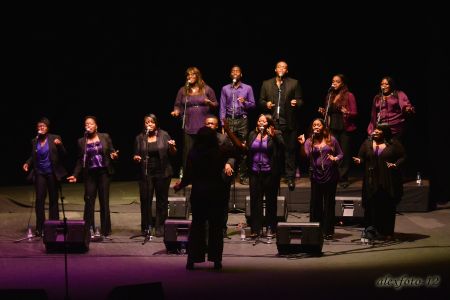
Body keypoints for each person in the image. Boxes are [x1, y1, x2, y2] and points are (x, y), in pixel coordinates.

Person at [173, 126, 233, 270]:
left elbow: (188, 176)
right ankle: (216, 260)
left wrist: (180, 186)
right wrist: (229, 132)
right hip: (216, 193)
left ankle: (192, 260)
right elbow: (239, 150)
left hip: (199, 194)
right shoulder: (220, 152)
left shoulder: (194, 153)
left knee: (197, 227)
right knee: (216, 228)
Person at [224, 114, 284, 238]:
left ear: (268, 123)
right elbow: (244, 149)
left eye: (264, 120)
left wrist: (274, 136)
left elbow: (283, 147)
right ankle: (255, 229)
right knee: (255, 201)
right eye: (259, 120)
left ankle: (270, 228)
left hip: (270, 173)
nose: (261, 122)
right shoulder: (252, 134)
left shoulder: (276, 133)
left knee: (271, 202)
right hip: (255, 172)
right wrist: (229, 132)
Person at [67, 116, 119, 238]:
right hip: (89, 174)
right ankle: (88, 228)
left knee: (104, 201)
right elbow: (80, 161)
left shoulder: (105, 137)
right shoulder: (81, 141)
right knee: (89, 200)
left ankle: (105, 229)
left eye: (91, 124)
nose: (88, 126)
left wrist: (114, 156)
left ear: (96, 126)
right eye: (86, 124)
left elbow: (111, 151)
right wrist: (75, 175)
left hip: (104, 173)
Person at [353, 124, 406, 241]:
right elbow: (361, 157)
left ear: (385, 132)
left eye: (379, 130)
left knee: (387, 205)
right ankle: (370, 230)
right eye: (375, 129)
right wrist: (359, 160)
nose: (375, 131)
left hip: (387, 180)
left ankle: (387, 232)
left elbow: (403, 157)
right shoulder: (367, 143)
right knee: (371, 205)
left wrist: (395, 164)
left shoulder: (393, 144)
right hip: (371, 180)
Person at [259, 60, 303, 191]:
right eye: (279, 66)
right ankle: (273, 175)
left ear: (287, 70)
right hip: (273, 123)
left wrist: (297, 102)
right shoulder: (266, 84)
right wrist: (265, 104)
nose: (281, 69)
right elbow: (260, 101)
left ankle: (290, 177)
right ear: (275, 69)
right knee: (272, 151)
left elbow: (301, 100)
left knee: (290, 151)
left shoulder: (294, 83)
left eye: (284, 67)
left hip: (288, 123)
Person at [297, 118, 343, 240]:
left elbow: (341, 154)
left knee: (329, 203)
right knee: (315, 203)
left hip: (330, 175)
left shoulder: (331, 139)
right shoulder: (309, 141)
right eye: (314, 125)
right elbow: (305, 156)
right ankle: (315, 230)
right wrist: (302, 144)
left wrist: (335, 159)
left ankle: (328, 231)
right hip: (316, 175)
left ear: (323, 127)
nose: (316, 127)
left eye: (318, 125)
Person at [133, 114, 177, 237]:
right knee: (145, 199)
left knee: (161, 200)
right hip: (146, 173)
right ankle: (146, 227)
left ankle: (160, 227)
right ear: (144, 124)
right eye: (147, 122)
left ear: (156, 123)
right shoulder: (140, 138)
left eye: (152, 122)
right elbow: (136, 154)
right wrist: (136, 158)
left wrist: (173, 146)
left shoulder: (164, 135)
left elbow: (173, 153)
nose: (149, 124)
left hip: (162, 172)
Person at [22, 117, 67, 236]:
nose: (41, 128)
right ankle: (40, 227)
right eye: (39, 126)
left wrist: (60, 145)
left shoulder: (55, 138)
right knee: (39, 200)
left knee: (53, 199)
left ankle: (54, 225)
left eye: (43, 126)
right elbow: (33, 156)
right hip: (40, 173)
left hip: (52, 172)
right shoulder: (34, 141)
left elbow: (64, 154)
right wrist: (27, 163)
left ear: (47, 128)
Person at [171, 67, 218, 174]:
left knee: (204, 150)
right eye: (188, 75)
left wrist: (210, 103)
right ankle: (188, 173)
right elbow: (177, 105)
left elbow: (216, 104)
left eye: (192, 74)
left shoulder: (207, 89)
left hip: (204, 125)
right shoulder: (183, 90)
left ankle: (205, 173)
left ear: (197, 76)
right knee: (188, 151)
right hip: (189, 125)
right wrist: (176, 111)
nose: (189, 77)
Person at [318, 74, 358, 188]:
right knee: (332, 152)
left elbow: (355, 113)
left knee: (343, 154)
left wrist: (347, 112)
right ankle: (333, 175)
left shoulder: (349, 95)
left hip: (345, 128)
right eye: (333, 81)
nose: (334, 83)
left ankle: (343, 178)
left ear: (343, 83)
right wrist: (323, 111)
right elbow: (328, 112)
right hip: (332, 128)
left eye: (337, 81)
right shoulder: (330, 95)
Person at [219, 65, 255, 185]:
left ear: (241, 74)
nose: (235, 73)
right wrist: (222, 123)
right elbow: (222, 107)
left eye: (237, 71)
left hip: (242, 120)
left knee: (243, 147)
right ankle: (229, 173)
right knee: (228, 147)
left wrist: (245, 102)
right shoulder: (225, 89)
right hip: (229, 120)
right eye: (233, 71)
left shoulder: (247, 88)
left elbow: (253, 105)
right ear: (231, 74)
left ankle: (243, 175)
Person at [204, 115, 236, 239]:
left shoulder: (223, 139)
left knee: (222, 204)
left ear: (216, 126)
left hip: (221, 177)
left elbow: (232, 155)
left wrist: (229, 163)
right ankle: (207, 230)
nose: (210, 126)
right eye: (207, 124)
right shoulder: (200, 140)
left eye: (212, 124)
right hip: (206, 178)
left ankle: (222, 228)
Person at [367, 76, 415, 142]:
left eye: (386, 84)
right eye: (382, 84)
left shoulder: (399, 94)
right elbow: (373, 115)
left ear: (391, 85)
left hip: (396, 128)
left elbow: (406, 105)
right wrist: (372, 128)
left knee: (394, 149)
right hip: (382, 128)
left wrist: (408, 109)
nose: (384, 86)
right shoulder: (377, 97)